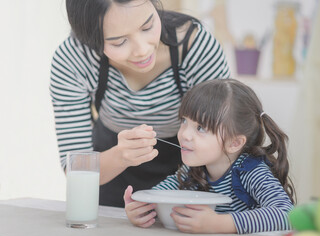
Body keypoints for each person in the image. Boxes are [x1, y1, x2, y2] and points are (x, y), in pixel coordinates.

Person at [49, 0, 230, 207]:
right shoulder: (73, 59)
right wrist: (121, 155)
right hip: (110, 178)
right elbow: (76, 171)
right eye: (119, 42)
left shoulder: (195, 46)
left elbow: (224, 140)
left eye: (147, 26)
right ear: (90, 39)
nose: (142, 50)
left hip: (192, 179)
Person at [124, 79, 296, 234]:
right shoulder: (192, 170)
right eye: (184, 121)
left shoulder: (250, 171)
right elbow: (157, 196)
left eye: (200, 128)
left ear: (234, 143)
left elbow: (287, 214)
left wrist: (219, 223)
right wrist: (143, 208)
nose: (185, 135)